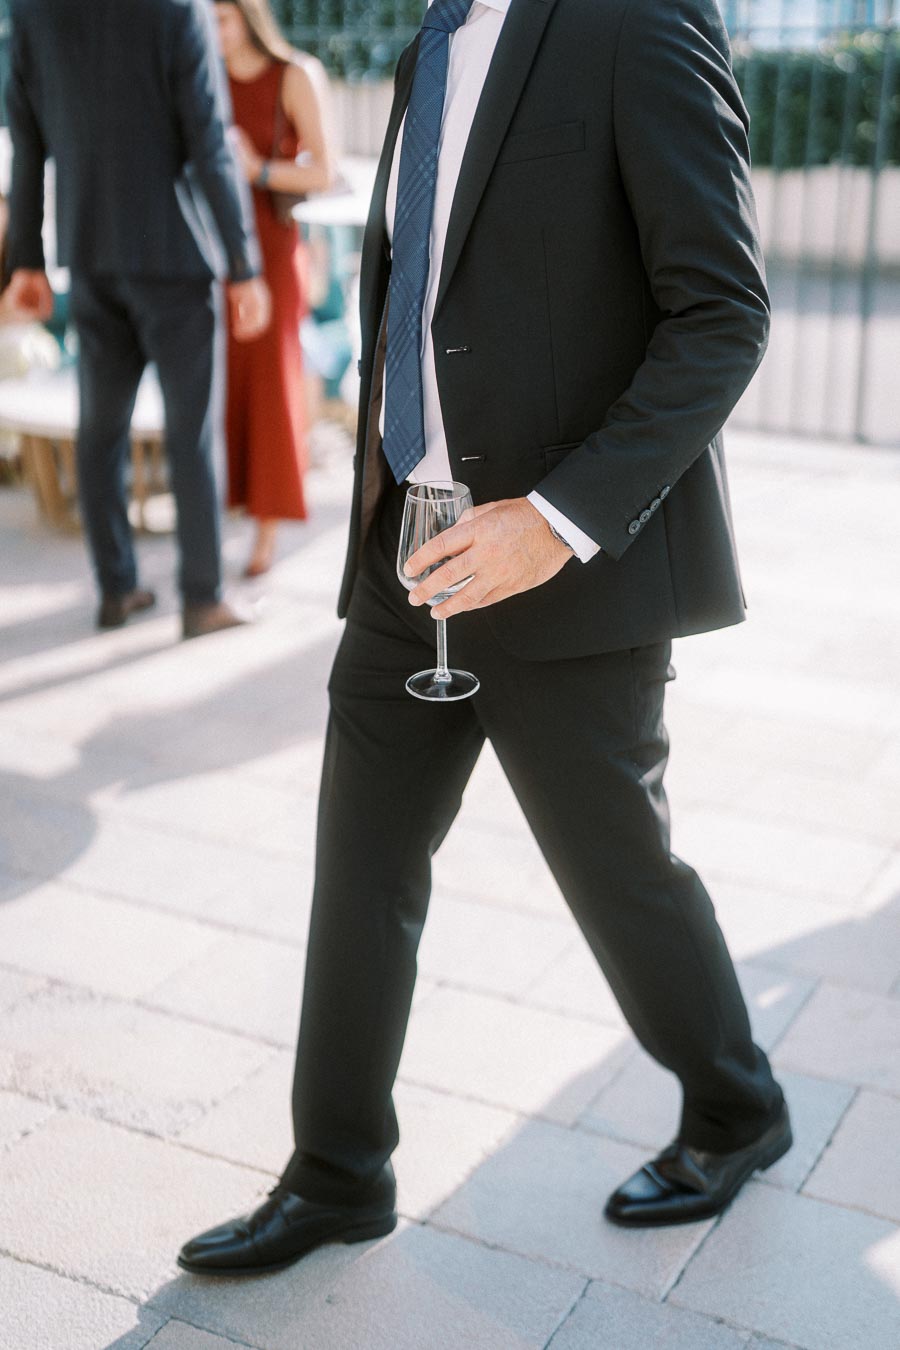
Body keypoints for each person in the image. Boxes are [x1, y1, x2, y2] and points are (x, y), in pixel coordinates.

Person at [179, 0, 792, 1275]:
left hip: (567, 572)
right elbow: (427, 289)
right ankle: (338, 1173)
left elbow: (722, 313)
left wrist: (557, 521)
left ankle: (738, 1106)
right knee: (362, 871)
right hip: (412, 557)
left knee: (618, 872)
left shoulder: (640, 21)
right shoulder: (429, 48)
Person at [3, 0, 271, 639]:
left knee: (100, 428)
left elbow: (27, 140)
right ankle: (203, 598)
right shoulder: (178, 10)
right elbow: (209, 138)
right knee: (191, 433)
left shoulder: (37, 14)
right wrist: (243, 263)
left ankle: (117, 590)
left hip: (89, 251)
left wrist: (28, 264)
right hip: (175, 254)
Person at [214, 1, 333, 578]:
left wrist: (257, 169)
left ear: (246, 15)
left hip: (273, 251)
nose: (211, 31)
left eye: (221, 18)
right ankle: (225, 516)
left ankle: (264, 534)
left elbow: (324, 172)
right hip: (211, 252)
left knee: (267, 389)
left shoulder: (294, 74)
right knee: (222, 387)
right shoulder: (199, 75)